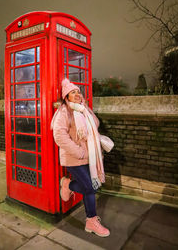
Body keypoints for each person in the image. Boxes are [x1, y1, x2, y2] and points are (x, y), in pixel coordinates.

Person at [51, 78, 110, 237]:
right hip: (74, 158)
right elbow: (59, 136)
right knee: (91, 187)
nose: (77, 94)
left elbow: (96, 124)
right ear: (66, 97)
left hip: (88, 157)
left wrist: (86, 109)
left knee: (90, 188)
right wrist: (79, 152)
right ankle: (91, 220)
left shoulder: (82, 109)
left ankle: (67, 184)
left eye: (78, 91)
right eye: (72, 92)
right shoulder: (64, 112)